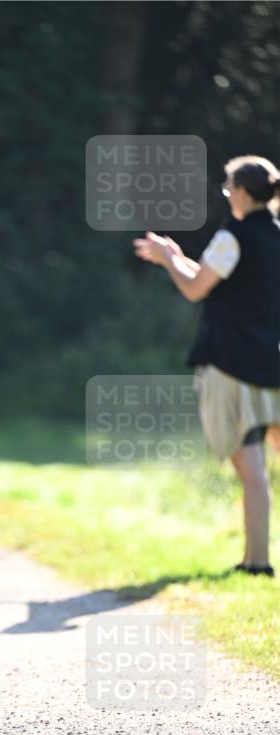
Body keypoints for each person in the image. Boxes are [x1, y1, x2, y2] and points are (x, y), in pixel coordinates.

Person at [133, 154, 280, 577]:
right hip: (272, 364)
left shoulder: (232, 235)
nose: (226, 193)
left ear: (241, 192)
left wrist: (166, 259)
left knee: (251, 469)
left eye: (227, 186)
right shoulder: (274, 234)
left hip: (232, 365)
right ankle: (258, 562)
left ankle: (257, 563)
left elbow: (196, 290)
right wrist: (176, 255)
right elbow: (219, 282)